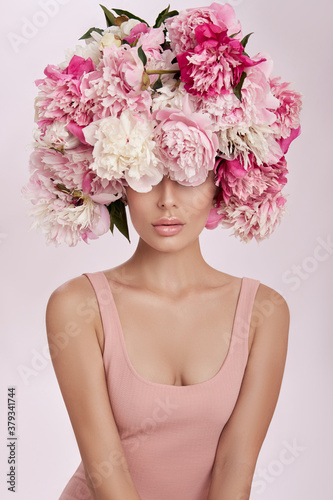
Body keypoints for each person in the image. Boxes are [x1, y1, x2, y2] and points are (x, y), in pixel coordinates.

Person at [23, 3, 301, 499]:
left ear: (220, 181)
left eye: (188, 174)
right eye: (149, 173)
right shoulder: (77, 307)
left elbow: (237, 467)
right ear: (118, 176)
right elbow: (107, 472)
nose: (167, 200)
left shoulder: (265, 312)